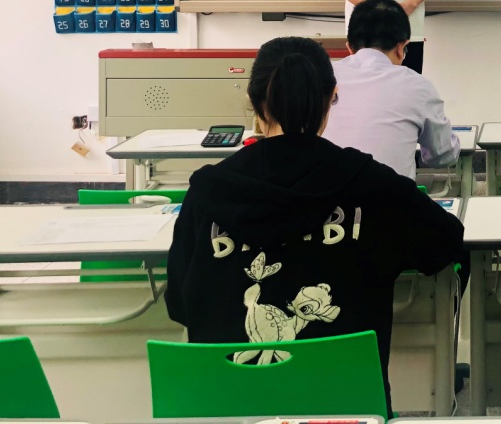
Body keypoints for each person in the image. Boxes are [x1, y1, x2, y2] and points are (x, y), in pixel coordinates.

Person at [164, 36, 464, 412]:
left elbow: (181, 304)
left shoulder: (208, 191)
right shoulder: (370, 183)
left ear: (254, 101)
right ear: (332, 97)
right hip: (349, 409)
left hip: (228, 410)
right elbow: (446, 241)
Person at [324, 0, 460, 180]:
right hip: (389, 197)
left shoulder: (321, 76)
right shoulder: (417, 86)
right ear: (401, 48)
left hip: (323, 195)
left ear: (349, 47)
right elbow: (442, 156)